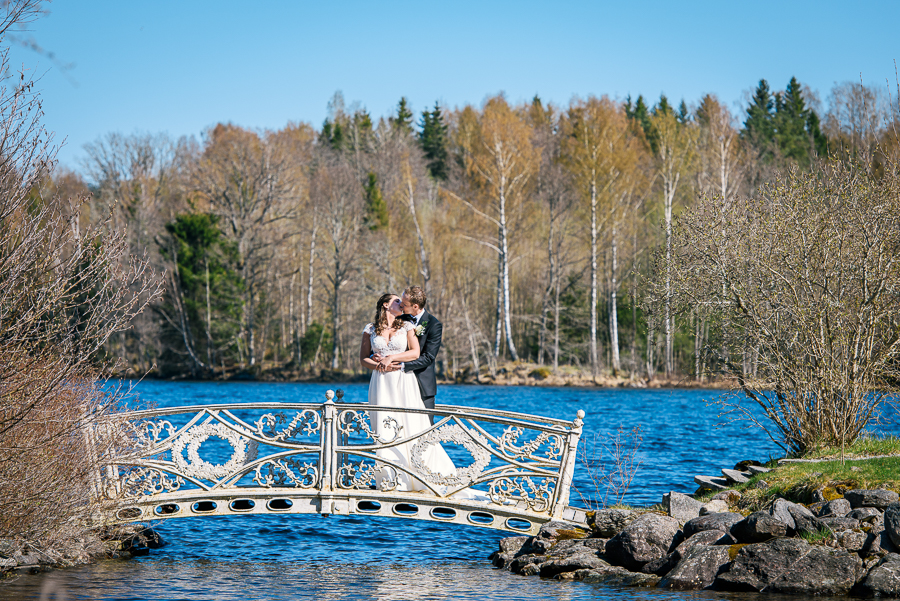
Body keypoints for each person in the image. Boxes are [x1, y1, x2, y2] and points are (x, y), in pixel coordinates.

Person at [358, 292, 457, 493]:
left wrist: (391, 358)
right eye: (396, 301)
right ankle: (388, 479)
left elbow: (415, 353)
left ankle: (418, 476)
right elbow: (363, 359)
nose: (401, 304)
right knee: (383, 428)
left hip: (403, 381)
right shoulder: (370, 329)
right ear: (386, 305)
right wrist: (377, 365)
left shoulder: (407, 326)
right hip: (381, 382)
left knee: (408, 424)